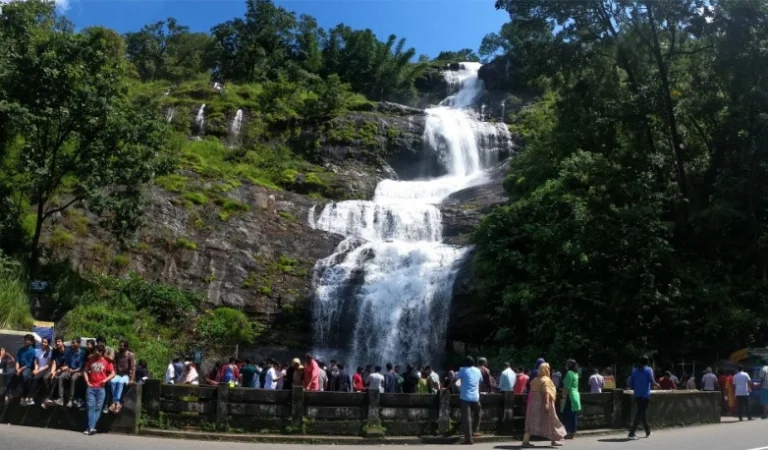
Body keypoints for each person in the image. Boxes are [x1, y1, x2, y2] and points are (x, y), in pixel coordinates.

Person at [522, 362, 566, 448]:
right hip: (544, 403)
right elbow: (547, 392)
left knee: (532, 422)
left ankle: (525, 440)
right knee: (551, 420)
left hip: (534, 404)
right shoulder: (546, 380)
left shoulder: (535, 380)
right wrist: (546, 403)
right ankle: (554, 440)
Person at [84, 345, 115, 435]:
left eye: (97, 351)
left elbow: (113, 373)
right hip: (91, 387)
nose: (95, 352)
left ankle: (90, 428)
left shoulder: (107, 361)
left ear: (101, 352)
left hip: (101, 389)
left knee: (98, 408)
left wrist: (105, 380)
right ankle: (91, 428)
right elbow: (85, 371)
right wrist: (87, 382)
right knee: (91, 407)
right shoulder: (91, 360)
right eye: (95, 350)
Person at [628, 356, 658, 440]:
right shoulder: (649, 370)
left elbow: (631, 383)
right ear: (647, 362)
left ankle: (647, 431)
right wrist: (657, 385)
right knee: (639, 413)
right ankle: (631, 433)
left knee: (642, 413)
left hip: (637, 395)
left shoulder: (634, 371)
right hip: (645, 395)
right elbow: (652, 381)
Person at [456, 356, 483, 445]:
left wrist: (447, 387)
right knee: (478, 413)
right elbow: (480, 381)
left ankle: (468, 439)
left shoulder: (463, 370)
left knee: (467, 418)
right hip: (475, 397)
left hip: (465, 397)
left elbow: (455, 379)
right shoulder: (478, 370)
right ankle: (475, 430)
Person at [23, 337, 53, 407]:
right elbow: (36, 361)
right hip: (39, 369)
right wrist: (36, 369)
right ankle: (28, 396)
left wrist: (38, 371)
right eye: (42, 342)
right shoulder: (37, 351)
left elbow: (48, 365)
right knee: (30, 377)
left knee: (36, 378)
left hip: (46, 370)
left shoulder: (50, 352)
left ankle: (32, 397)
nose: (43, 343)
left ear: (48, 343)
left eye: (45, 342)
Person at [108, 340, 135, 414]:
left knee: (120, 382)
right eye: (119, 345)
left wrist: (132, 379)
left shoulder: (130, 355)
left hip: (126, 375)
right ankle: (116, 402)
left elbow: (133, 368)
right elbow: (114, 365)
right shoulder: (117, 354)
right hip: (118, 374)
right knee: (112, 381)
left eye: (121, 346)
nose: (119, 347)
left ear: (126, 347)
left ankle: (115, 403)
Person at [561, 359, 581, 439]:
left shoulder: (569, 373)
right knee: (573, 415)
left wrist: (563, 396)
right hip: (576, 395)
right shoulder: (576, 374)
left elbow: (566, 387)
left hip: (570, 396)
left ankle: (568, 432)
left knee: (568, 414)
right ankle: (572, 432)